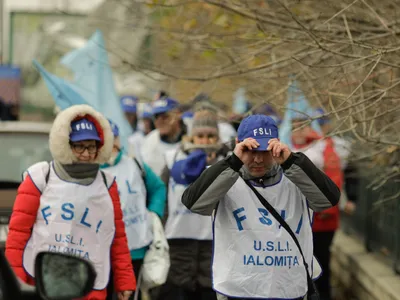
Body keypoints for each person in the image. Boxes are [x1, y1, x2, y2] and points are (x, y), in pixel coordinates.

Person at [182, 114, 341, 300]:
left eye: (264, 151)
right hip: (239, 291)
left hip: (288, 289)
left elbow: (328, 199)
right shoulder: (224, 175)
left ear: (276, 145)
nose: (257, 159)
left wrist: (291, 161)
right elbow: (194, 203)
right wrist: (234, 161)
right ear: (238, 144)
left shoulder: (296, 175)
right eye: (251, 150)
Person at [5, 104, 135, 300]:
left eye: (91, 146)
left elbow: (117, 237)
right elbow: (18, 234)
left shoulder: (107, 184)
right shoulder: (40, 176)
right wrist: (15, 281)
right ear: (67, 145)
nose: (86, 153)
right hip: (45, 281)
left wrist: (124, 281)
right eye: (79, 146)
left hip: (90, 282)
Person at [156, 107, 230, 300]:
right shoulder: (174, 158)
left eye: (210, 136)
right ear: (192, 136)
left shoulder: (227, 160)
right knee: (178, 290)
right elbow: (161, 194)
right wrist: (161, 228)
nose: (205, 141)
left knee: (208, 291)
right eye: (200, 136)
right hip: (179, 238)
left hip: (213, 241)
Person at [101, 119, 166, 300]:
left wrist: (153, 214)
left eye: (114, 137)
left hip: (134, 247)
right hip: (102, 250)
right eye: (106, 139)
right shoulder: (91, 170)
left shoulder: (134, 164)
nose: (112, 143)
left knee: (129, 296)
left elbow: (158, 188)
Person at [291, 116, 343, 300]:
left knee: (320, 262)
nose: (298, 131)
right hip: (299, 221)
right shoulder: (288, 149)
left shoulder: (323, 148)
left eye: (302, 127)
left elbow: (333, 180)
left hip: (321, 222)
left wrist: (325, 211)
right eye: (294, 127)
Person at [141, 97, 186, 176]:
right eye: (156, 117)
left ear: (178, 115)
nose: (159, 121)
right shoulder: (149, 142)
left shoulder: (195, 137)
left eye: (164, 116)